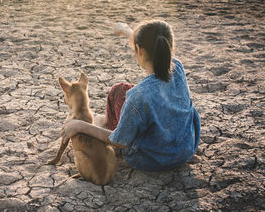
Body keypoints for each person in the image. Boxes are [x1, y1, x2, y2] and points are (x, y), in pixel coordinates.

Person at [62, 20, 201, 171]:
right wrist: (127, 31)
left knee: (118, 92)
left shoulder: (138, 95)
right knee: (123, 91)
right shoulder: (178, 68)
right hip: (185, 149)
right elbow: (152, 45)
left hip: (152, 160)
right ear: (171, 48)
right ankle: (103, 120)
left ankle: (105, 122)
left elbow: (121, 141)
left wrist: (81, 126)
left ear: (139, 50)